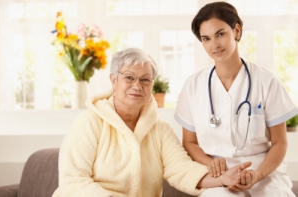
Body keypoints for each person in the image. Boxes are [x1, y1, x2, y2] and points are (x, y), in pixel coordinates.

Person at [52, 47, 252, 197]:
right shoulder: (88, 122)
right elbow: (73, 181)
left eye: (145, 80)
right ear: (113, 80)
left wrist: (221, 179)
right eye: (129, 78)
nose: (137, 86)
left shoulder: (160, 131)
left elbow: (182, 169)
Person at [174, 2, 298, 197]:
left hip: (264, 173)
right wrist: (210, 163)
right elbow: (189, 142)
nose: (214, 45)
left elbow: (280, 143)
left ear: (237, 31)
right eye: (206, 39)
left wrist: (257, 174)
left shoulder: (266, 81)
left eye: (220, 34)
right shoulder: (193, 86)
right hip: (219, 175)